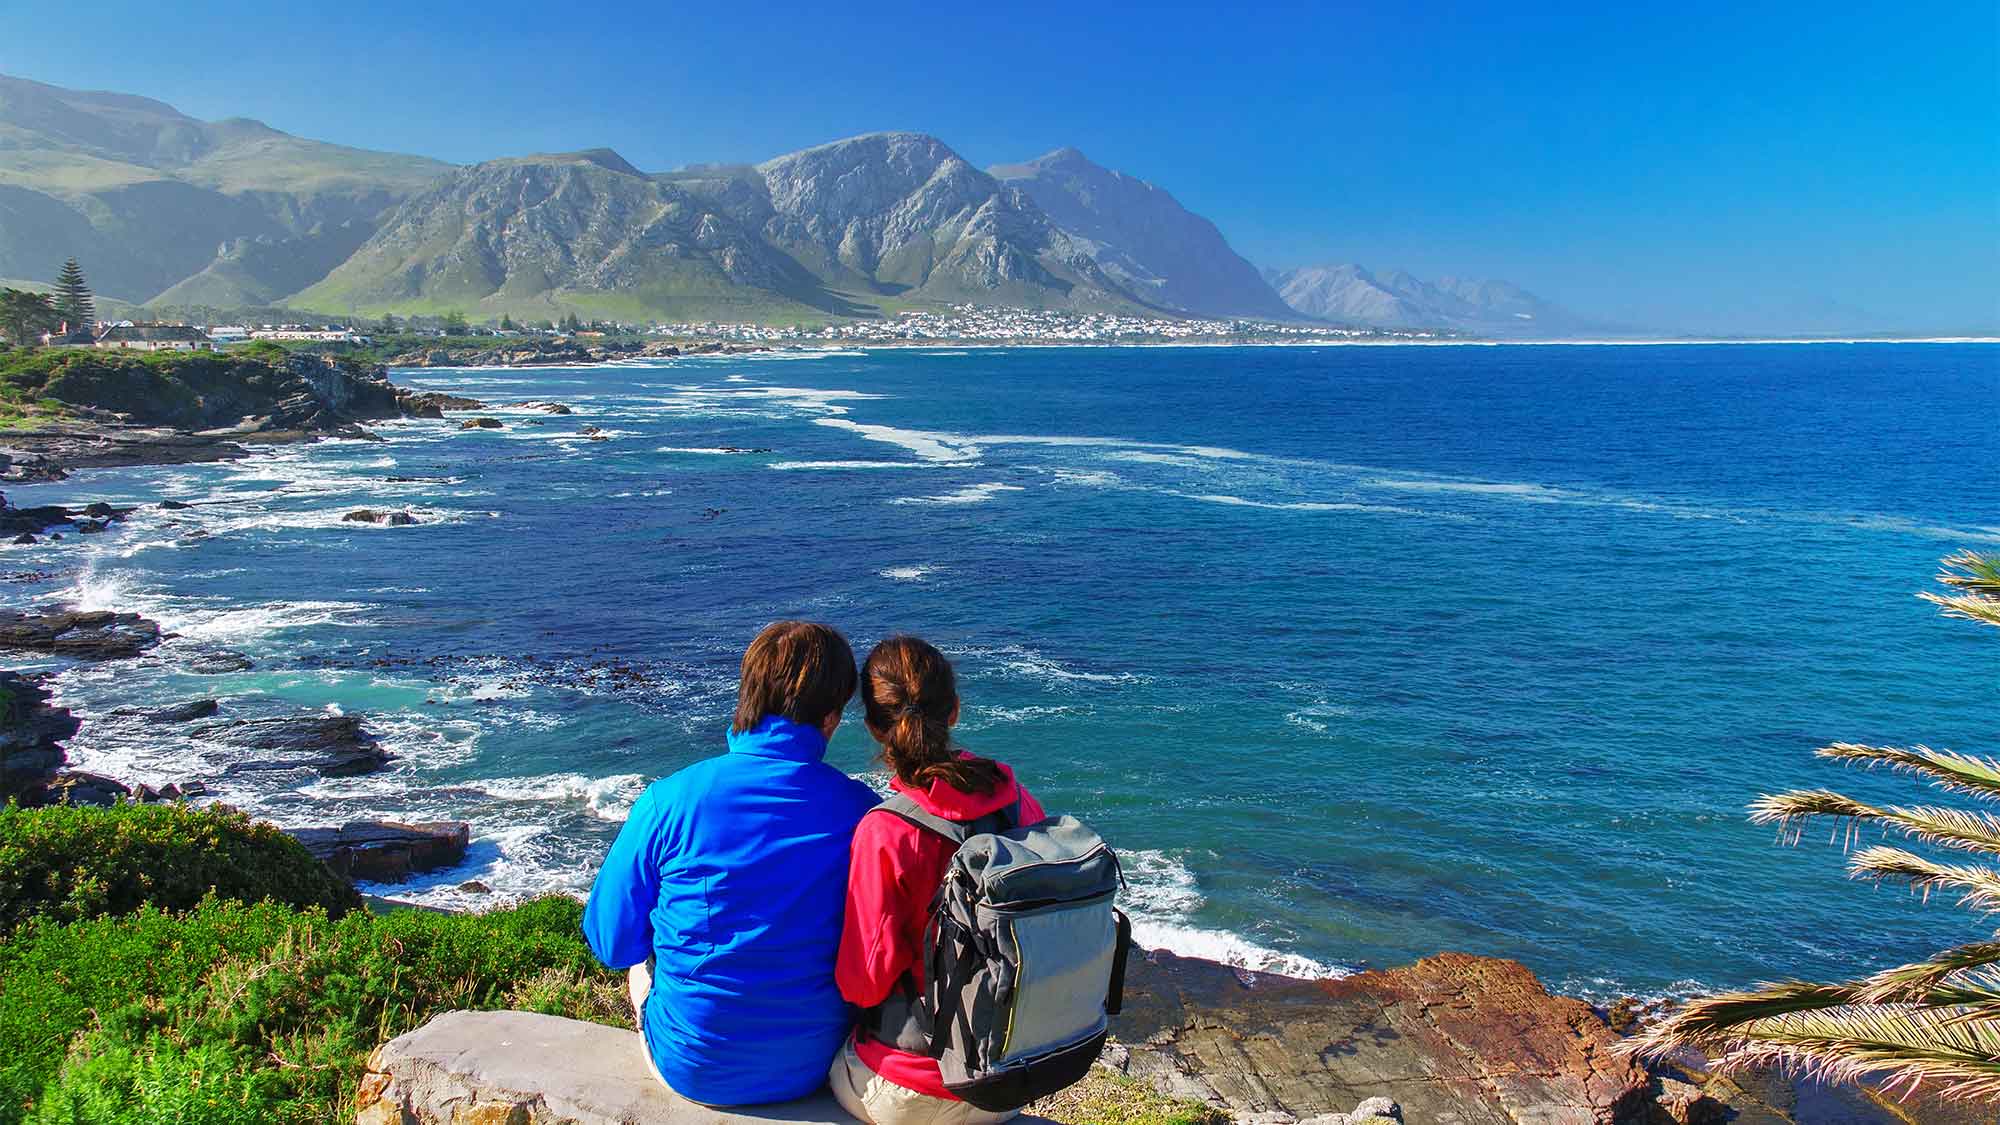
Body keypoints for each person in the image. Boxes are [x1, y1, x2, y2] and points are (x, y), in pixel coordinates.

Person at [582, 620, 880, 1106]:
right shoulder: (864, 811)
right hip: (815, 1063)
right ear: (830, 717)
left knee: (640, 963)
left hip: (695, 1068)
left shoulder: (670, 800)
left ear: (749, 694)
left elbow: (612, 943)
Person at [830, 636, 1048, 1125]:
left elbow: (862, 984)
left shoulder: (886, 830)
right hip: (1003, 1083)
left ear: (873, 727)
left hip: (912, 1089)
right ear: (954, 711)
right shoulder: (1015, 799)